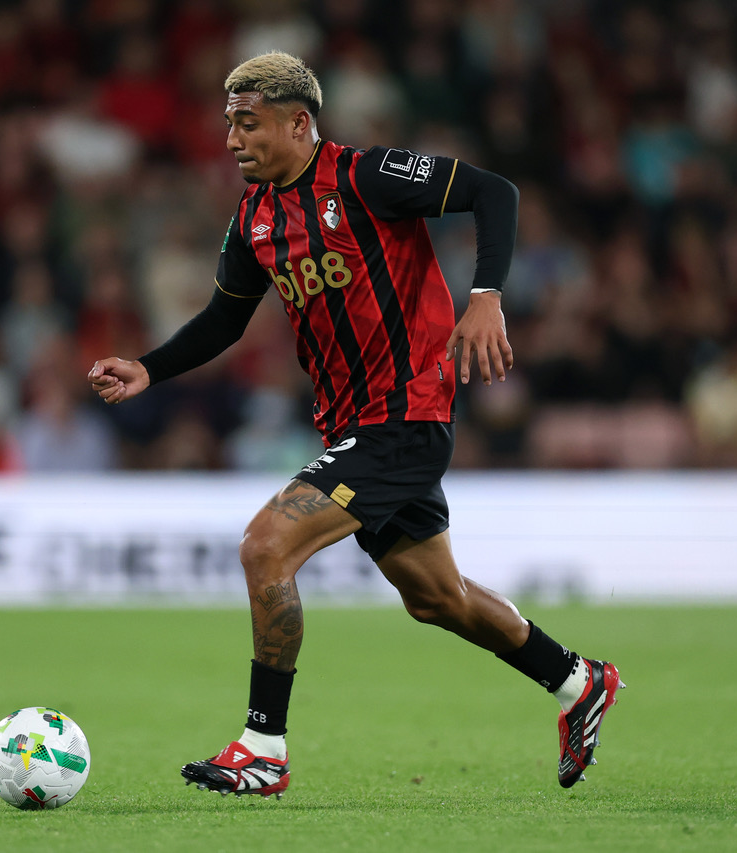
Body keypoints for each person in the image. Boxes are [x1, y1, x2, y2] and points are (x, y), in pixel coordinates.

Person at [87, 52, 622, 797]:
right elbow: (223, 321)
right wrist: (150, 367)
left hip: (404, 414)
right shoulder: (255, 218)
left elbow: (492, 191)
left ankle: (262, 747)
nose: (233, 139)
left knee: (264, 546)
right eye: (228, 124)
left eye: (249, 123)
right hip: (353, 424)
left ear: (299, 122)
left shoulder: (365, 177)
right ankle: (577, 680)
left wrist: (487, 294)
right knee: (436, 598)